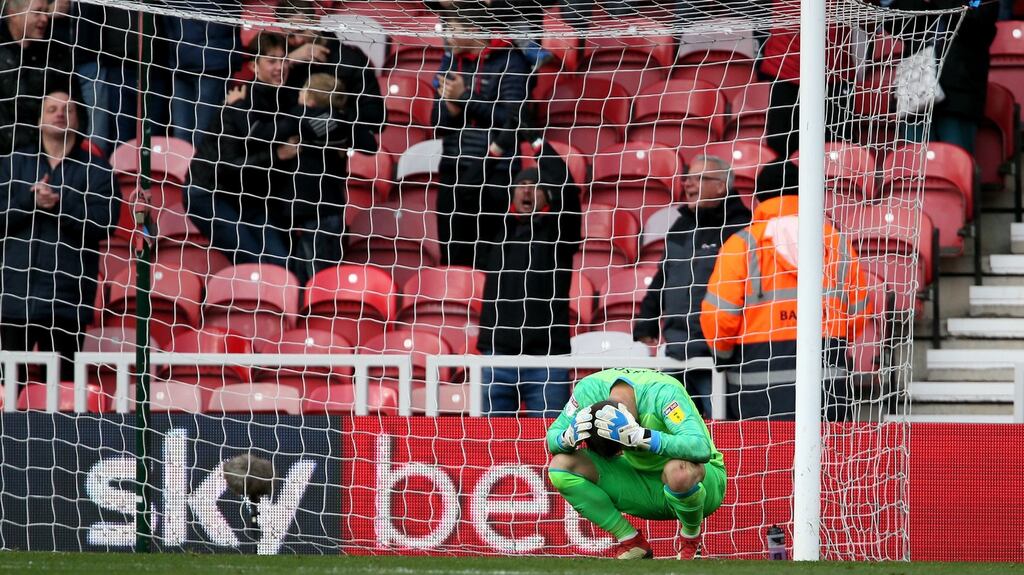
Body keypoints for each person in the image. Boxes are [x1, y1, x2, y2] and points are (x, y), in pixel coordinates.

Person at [700, 160, 872, 420]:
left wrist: (722, 356)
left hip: (755, 380)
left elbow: (720, 314)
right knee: (824, 456)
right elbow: (859, 309)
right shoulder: (835, 241)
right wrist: (835, 337)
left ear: (757, 200)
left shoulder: (742, 244)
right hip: (825, 375)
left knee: (763, 458)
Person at [546, 368, 727, 560]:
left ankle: (690, 538)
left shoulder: (663, 392)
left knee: (677, 471)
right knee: (561, 464)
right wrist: (565, 437)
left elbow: (700, 448)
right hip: (639, 484)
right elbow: (552, 437)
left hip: (701, 486)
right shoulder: (587, 391)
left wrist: (642, 437)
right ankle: (632, 542)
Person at [0, 88, 116, 380]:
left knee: (63, 399)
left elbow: (105, 223)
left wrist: (59, 204)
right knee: (7, 392)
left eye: (68, 110)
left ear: (78, 121)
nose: (60, 115)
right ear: (39, 119)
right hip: (13, 299)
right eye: (52, 109)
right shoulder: (13, 163)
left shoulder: (99, 170)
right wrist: (30, 203)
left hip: (66, 302)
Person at [633, 155, 751, 417]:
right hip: (677, 351)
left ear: (721, 186)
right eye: (687, 178)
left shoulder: (741, 227)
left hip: (721, 358)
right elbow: (663, 276)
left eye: (699, 178)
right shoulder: (681, 226)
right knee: (672, 429)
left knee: (723, 435)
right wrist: (647, 319)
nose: (688, 184)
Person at [477, 145, 581, 417]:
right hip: (497, 354)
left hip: (546, 359)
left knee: (551, 446)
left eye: (535, 185)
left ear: (547, 195)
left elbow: (568, 189)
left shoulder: (560, 233)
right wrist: (498, 147)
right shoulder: (495, 232)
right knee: (490, 447)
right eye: (520, 184)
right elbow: (469, 190)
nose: (526, 190)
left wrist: (538, 144)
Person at [186, 32, 299, 270]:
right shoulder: (239, 103)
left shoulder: (286, 98)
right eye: (272, 61)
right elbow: (229, 166)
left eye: (284, 59)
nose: (280, 67)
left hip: (248, 195)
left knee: (282, 267)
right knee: (255, 263)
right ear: (253, 66)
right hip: (209, 192)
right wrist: (277, 156)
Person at [432, 11, 529, 267]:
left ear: (472, 28)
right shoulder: (449, 62)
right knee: (452, 258)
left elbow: (513, 119)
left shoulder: (511, 60)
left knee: (488, 259)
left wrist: (464, 99)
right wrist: (452, 111)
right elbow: (436, 121)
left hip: (495, 172)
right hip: (454, 169)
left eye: (451, 28)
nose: (447, 35)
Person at [272, 73, 377, 283]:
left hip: (320, 212)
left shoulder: (304, 118)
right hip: (314, 212)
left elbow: (369, 145)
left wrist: (339, 121)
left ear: (310, 99)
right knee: (302, 276)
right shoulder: (334, 121)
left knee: (320, 279)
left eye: (302, 90)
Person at [275, 0, 385, 136]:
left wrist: (331, 117)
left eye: (301, 31)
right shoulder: (282, 59)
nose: (298, 40)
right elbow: (264, 104)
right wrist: (288, 62)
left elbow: (377, 117)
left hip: (333, 146)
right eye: (290, 36)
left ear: (315, 20)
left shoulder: (350, 60)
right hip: (288, 145)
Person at [0, 0, 73, 156]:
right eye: (37, 12)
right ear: (14, 14)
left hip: (44, 154)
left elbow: (76, 110)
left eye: (47, 12)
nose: (45, 19)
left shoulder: (56, 54)